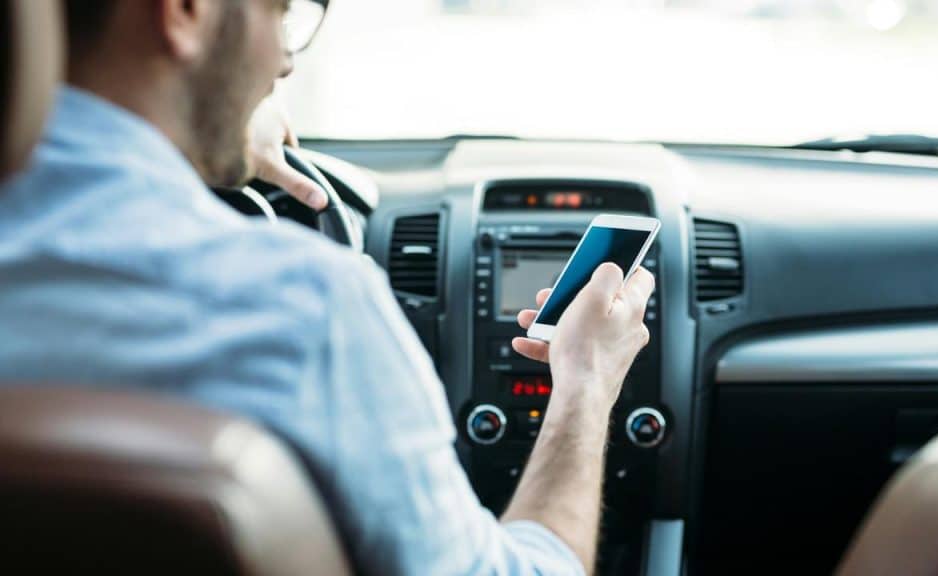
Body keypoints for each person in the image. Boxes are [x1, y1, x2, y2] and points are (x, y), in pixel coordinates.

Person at [0, 0, 654, 574]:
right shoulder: (303, 307)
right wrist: (585, 382)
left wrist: (200, 137)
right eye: (280, 11)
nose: (284, 65)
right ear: (186, 10)